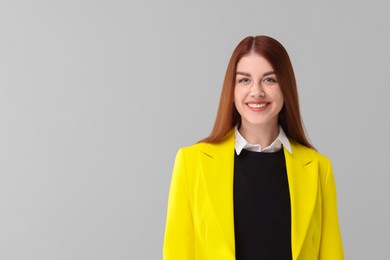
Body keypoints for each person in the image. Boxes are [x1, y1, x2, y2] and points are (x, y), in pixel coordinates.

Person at [163, 35, 344, 260]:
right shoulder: (192, 163)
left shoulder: (318, 168)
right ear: (232, 89)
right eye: (244, 80)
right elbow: (177, 253)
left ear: (286, 87)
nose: (256, 91)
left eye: (269, 80)